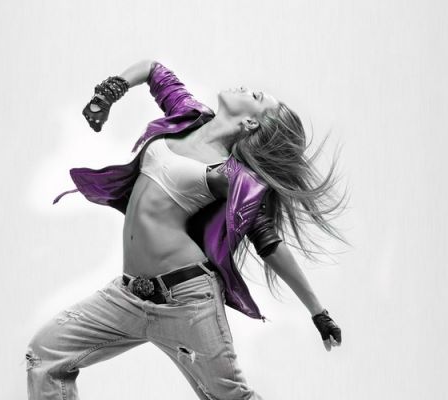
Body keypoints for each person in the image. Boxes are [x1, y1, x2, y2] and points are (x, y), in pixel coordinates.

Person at [27, 60, 348, 400]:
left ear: (251, 122)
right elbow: (153, 70)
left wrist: (318, 312)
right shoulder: (187, 115)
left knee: (232, 397)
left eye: (255, 96)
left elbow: (269, 244)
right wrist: (107, 94)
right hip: (129, 295)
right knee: (45, 353)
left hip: (187, 301)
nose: (245, 86)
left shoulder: (232, 176)